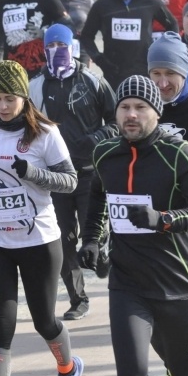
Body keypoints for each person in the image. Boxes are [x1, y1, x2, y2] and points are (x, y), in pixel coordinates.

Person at [0, 60, 82, 376]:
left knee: (44, 321)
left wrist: (32, 173)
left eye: (10, 98)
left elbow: (70, 181)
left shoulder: (45, 133)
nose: (3, 106)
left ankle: (68, 368)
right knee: (0, 327)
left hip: (39, 240)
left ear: (24, 98)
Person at [79, 75, 188, 376]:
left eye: (140, 107)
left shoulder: (178, 154)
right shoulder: (105, 154)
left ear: (156, 112)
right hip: (127, 284)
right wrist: (92, 238)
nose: (131, 114)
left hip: (177, 286)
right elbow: (97, 196)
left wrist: (163, 219)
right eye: (124, 107)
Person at [28, 24, 118, 321]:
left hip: (91, 173)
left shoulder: (93, 80)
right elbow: (27, 127)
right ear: (45, 50)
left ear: (72, 47)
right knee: (62, 240)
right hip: (56, 177)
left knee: (94, 232)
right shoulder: (35, 86)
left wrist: (97, 137)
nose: (57, 51)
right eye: (51, 46)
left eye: (62, 46)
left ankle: (101, 251)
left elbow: (116, 121)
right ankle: (78, 298)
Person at [145, 32, 188, 376]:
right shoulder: (141, 108)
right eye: (155, 73)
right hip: (157, 228)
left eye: (170, 74)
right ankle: (176, 372)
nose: (162, 82)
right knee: (157, 320)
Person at [79, 0, 178, 91]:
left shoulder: (149, 1)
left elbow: (172, 25)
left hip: (144, 71)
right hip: (113, 73)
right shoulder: (102, 5)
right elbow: (86, 36)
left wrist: (162, 52)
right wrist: (100, 60)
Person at [54, 0, 94, 65]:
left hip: (81, 49)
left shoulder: (86, 1)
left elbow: (96, 26)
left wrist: (93, 51)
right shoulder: (52, 0)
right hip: (57, 49)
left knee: (82, 75)